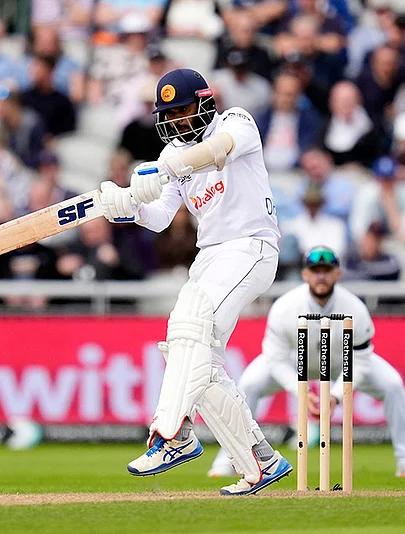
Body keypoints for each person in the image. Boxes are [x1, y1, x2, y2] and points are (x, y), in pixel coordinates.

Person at [97, 68, 289, 496]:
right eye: (171, 114)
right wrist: (124, 206)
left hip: (251, 247)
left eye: (184, 109)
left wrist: (168, 167)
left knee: (191, 332)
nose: (180, 121)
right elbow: (160, 216)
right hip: (209, 258)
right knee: (192, 354)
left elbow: (217, 151)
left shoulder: (237, 122)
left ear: (204, 101)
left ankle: (173, 434)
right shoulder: (171, 158)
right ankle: (259, 459)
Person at [207, 246, 405, 479]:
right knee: (249, 384)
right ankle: (229, 460)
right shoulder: (285, 308)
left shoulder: (355, 308)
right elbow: (275, 359)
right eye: (315, 270)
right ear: (305, 275)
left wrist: (335, 395)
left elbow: (360, 360)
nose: (321, 276)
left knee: (393, 384)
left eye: (327, 270)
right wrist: (301, 391)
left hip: (341, 362)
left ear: (338, 274)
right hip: (294, 362)